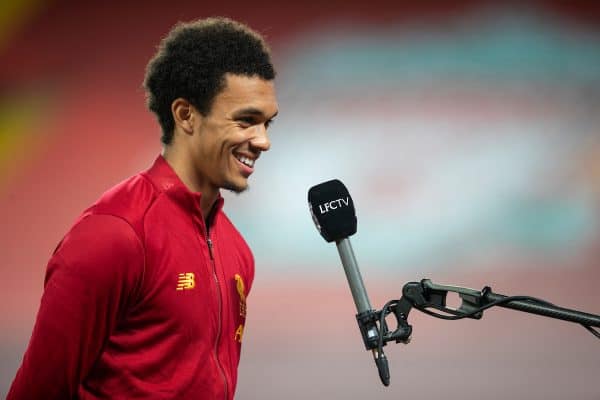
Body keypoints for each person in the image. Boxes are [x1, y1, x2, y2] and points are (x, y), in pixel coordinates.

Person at [7, 17, 278, 399]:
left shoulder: (237, 251)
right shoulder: (115, 235)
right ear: (185, 115)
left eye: (267, 123)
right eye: (246, 121)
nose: (263, 141)